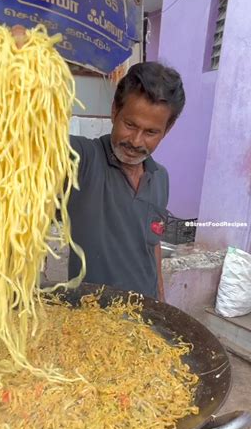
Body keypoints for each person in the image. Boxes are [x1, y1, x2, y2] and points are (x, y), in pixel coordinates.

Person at [68, 62, 186, 300]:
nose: (136, 141)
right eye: (130, 125)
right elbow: (33, 142)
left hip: (145, 315)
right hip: (89, 319)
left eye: (151, 132)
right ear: (114, 111)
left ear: (168, 129)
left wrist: (161, 303)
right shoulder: (84, 158)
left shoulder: (160, 177)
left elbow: (152, 245)